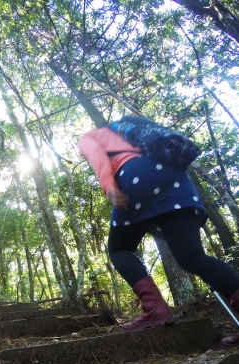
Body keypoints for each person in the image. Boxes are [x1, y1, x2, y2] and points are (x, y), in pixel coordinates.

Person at [78, 122, 239, 347]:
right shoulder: (130, 133)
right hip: (176, 178)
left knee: (119, 249)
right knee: (191, 257)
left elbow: (96, 155)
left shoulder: (89, 137)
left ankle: (155, 308)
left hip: (137, 176)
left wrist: (109, 186)